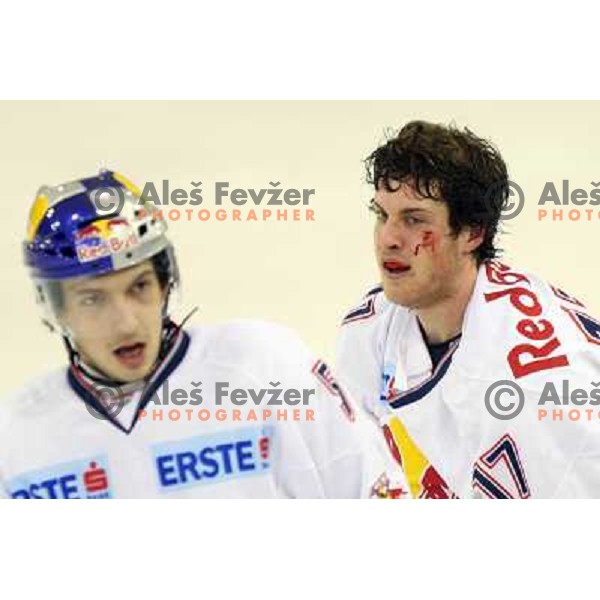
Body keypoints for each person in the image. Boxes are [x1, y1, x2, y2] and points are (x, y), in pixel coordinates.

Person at [0, 170, 403, 499]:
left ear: (164, 283)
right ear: (57, 310)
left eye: (139, 287)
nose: (125, 322)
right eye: (93, 300)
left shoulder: (264, 367)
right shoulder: (17, 439)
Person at [337, 120, 600, 498]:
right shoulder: (372, 327)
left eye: (414, 220)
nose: (389, 239)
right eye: (383, 215)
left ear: (473, 233)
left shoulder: (536, 391)